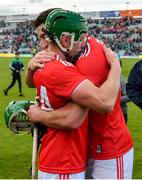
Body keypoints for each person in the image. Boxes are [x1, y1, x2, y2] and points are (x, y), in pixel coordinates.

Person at [25, 9, 121, 179]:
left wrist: (39, 114)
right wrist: (116, 68)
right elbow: (76, 117)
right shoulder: (60, 67)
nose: (43, 44)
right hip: (65, 160)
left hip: (84, 152)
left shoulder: (57, 64)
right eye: (42, 36)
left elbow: (81, 113)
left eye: (44, 36)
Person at [120, 59, 130, 124]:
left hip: (122, 111)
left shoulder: (122, 80)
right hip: (110, 113)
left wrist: (116, 100)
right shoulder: (107, 79)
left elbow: (129, 96)